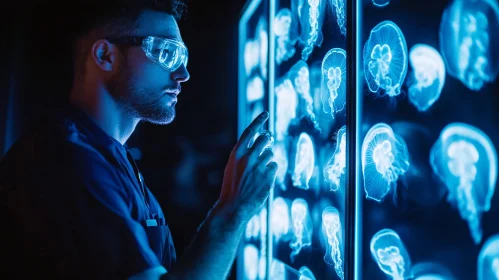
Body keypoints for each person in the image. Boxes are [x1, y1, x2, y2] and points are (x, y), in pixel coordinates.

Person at [0, 0, 278, 279]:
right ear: (105, 56)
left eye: (182, 56)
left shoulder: (112, 158)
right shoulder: (69, 161)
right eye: (166, 52)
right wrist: (233, 210)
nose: (183, 74)